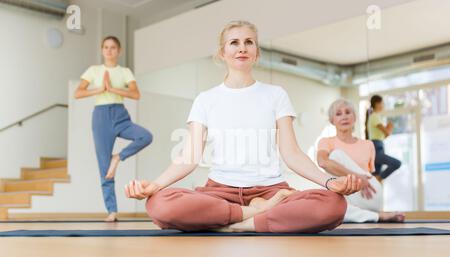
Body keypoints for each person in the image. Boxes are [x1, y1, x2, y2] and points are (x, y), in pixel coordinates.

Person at [125, 21, 361, 233]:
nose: (242, 48)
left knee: (334, 205)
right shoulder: (205, 99)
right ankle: (253, 214)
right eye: (234, 42)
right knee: (158, 203)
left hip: (271, 191)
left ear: (256, 53)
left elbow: (291, 154)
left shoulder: (275, 95)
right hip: (220, 193)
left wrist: (330, 183)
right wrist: (155, 185)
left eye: (249, 42)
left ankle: (235, 224)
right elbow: (189, 157)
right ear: (222, 53)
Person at [74, 36, 153, 222]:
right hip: (101, 117)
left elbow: (135, 94)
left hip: (120, 115)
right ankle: (112, 211)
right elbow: (78, 93)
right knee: (105, 169)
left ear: (119, 51)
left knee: (145, 136)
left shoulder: (125, 72)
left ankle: (118, 157)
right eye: (106, 47)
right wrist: (101, 89)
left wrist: (113, 89)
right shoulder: (93, 71)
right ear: (102, 50)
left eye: (113, 47)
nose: (109, 50)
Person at [317, 99, 405, 223]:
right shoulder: (326, 142)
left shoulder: (368, 144)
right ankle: (377, 216)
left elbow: (370, 176)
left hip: (367, 195)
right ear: (332, 120)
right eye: (338, 113)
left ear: (354, 117)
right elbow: (323, 162)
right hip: (343, 197)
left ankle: (367, 212)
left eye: (348, 112)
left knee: (336, 155)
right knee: (335, 157)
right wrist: (357, 177)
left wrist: (363, 181)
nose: (344, 116)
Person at [366, 95, 401, 181]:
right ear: (377, 104)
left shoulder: (376, 117)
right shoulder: (374, 116)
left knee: (375, 176)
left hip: (379, 145)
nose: (383, 105)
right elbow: (387, 132)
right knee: (396, 163)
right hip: (376, 148)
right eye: (382, 103)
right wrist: (390, 127)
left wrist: (388, 129)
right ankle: (379, 177)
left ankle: (377, 179)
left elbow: (383, 136)